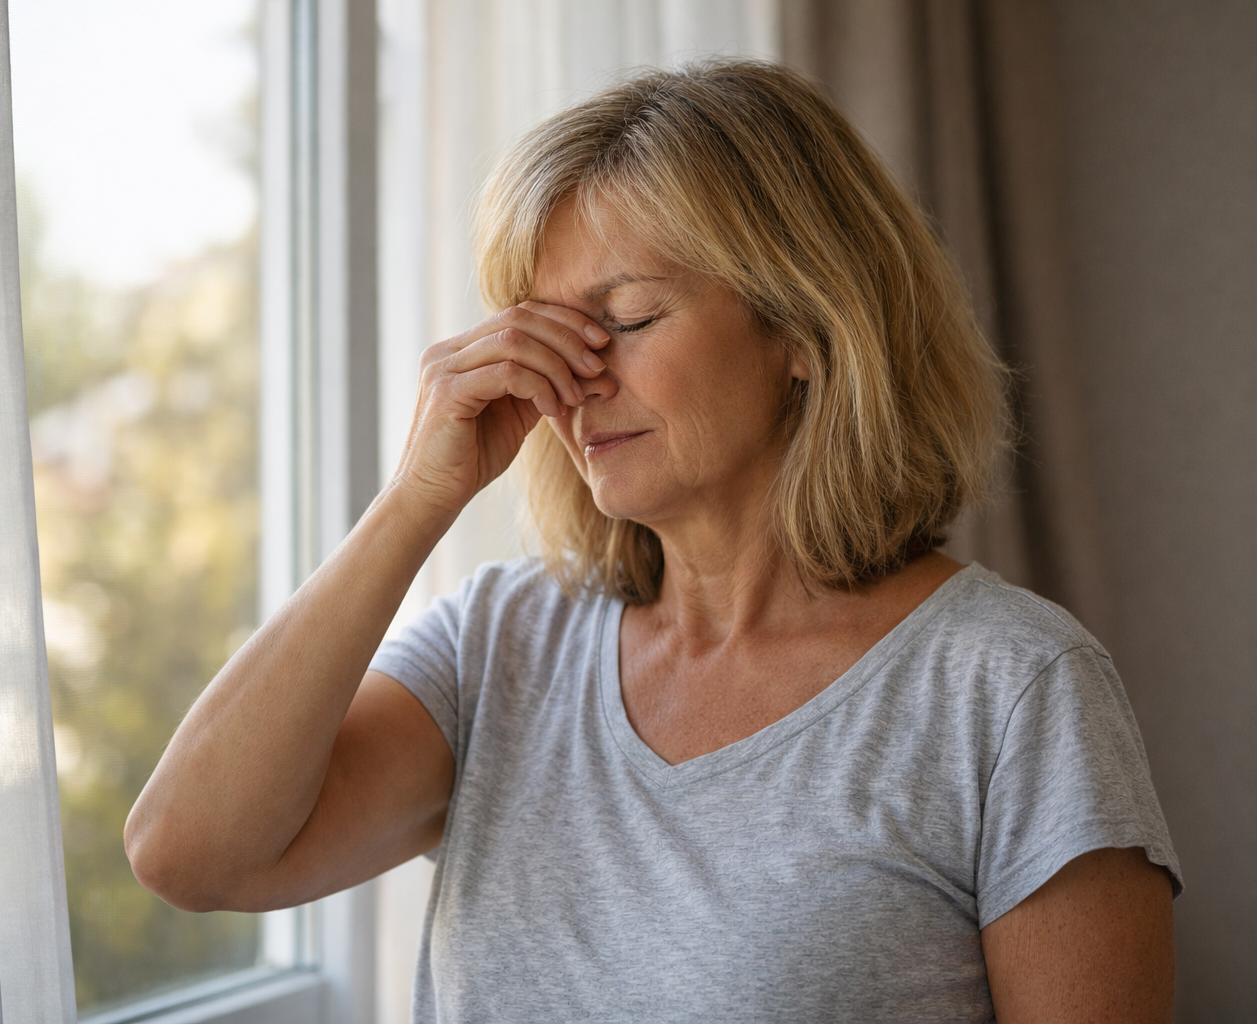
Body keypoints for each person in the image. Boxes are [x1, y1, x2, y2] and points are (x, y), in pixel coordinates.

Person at [125, 61, 1181, 1022]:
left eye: (624, 319)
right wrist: (414, 499)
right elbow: (188, 852)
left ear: (804, 331)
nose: (570, 379)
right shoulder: (502, 644)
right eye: (543, 331)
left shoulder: (1013, 688)